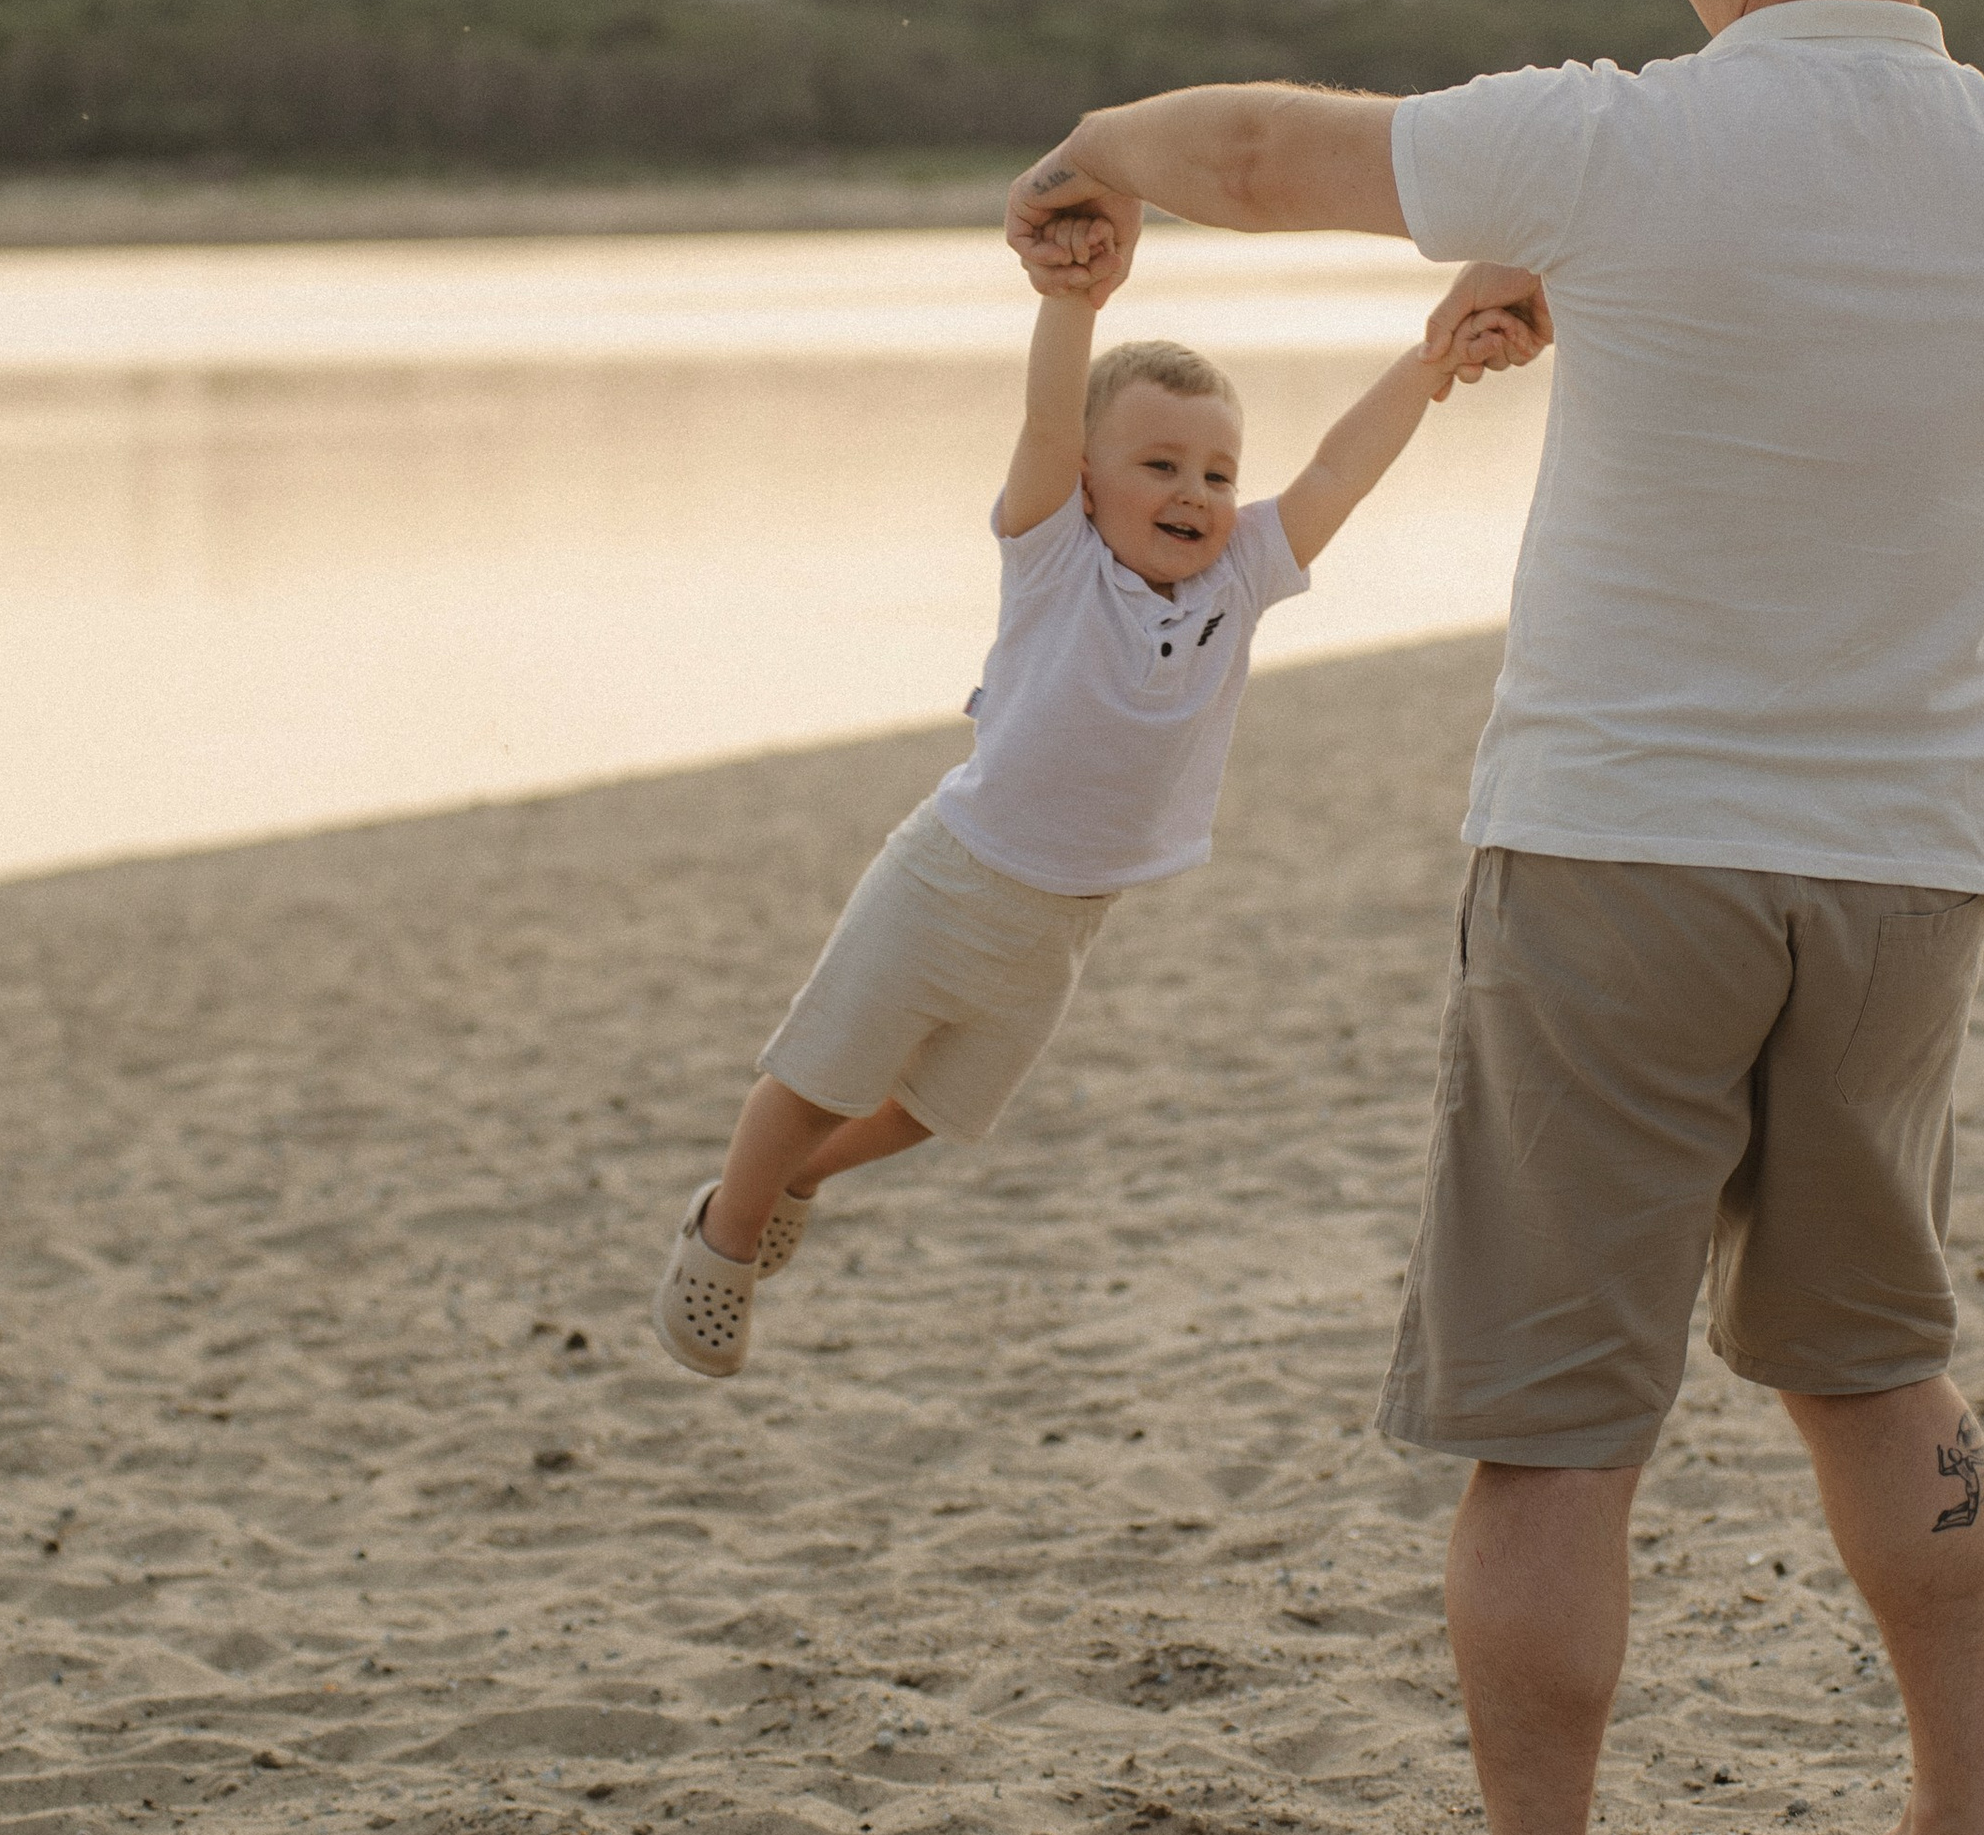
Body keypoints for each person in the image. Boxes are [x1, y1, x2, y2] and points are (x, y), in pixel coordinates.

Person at [1004, 0, 1984, 1835]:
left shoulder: (1625, 137)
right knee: (1877, 1353)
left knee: (1551, 1411)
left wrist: (1095, 152)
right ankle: (1966, 1826)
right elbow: (1819, 372)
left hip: (1624, 837)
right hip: (1914, 855)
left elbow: (1265, 148)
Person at [651, 248, 1544, 1379]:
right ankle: (724, 1238)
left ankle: (802, 1180)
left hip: (1065, 919)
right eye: (1160, 464)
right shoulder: (1052, 558)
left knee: (930, 1110)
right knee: (815, 1076)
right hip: (951, 874)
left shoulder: (1239, 579)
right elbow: (1041, 421)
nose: (1195, 493)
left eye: (1218, 474)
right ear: (1086, 479)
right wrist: (1070, 301)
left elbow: (1335, 470)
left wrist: (1426, 366)